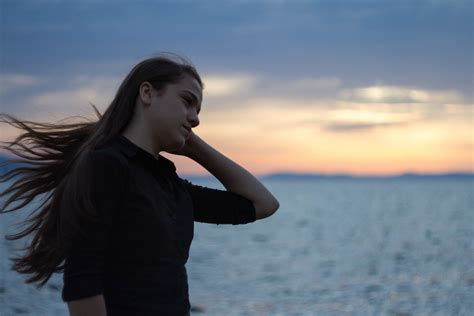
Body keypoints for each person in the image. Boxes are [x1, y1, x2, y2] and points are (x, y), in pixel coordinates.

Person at [0, 53, 279, 315]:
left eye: (197, 110)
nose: (195, 118)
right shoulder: (106, 165)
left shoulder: (167, 184)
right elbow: (82, 284)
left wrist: (194, 146)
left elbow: (263, 204)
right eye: (187, 101)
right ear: (147, 93)